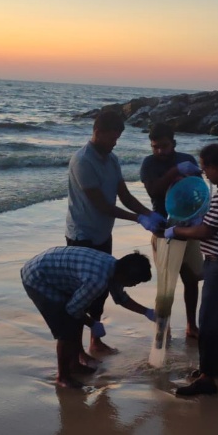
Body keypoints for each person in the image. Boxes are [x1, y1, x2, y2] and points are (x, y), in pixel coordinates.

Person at [65, 110, 164, 355]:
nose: (115, 143)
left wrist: (148, 213)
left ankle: (94, 342)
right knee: (82, 293)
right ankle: (77, 350)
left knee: (102, 289)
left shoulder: (112, 160)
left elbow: (125, 196)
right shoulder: (82, 161)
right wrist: (138, 219)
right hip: (82, 235)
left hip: (102, 233)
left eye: (118, 138)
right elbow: (101, 205)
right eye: (112, 137)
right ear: (97, 132)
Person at [164, 143, 218, 396]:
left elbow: (206, 230)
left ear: (216, 166)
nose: (205, 175)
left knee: (209, 319)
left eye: (205, 169)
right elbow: (213, 223)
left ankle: (206, 377)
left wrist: (177, 230)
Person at [21, 246, 155, 389]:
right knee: (66, 328)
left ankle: (75, 364)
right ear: (125, 275)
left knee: (76, 319)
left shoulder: (113, 266)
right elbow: (72, 309)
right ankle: (62, 377)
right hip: (37, 278)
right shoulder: (97, 280)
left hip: (54, 271)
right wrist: (92, 324)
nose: (134, 285)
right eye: (135, 282)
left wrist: (147, 312)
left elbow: (120, 298)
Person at [139, 122, 204, 338]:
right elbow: (154, 190)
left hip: (189, 226)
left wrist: (199, 216)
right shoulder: (148, 164)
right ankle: (163, 328)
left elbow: (200, 191)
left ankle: (191, 325)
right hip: (162, 228)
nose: (159, 151)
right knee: (166, 283)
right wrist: (175, 172)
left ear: (173, 143)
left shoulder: (188, 160)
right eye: (155, 147)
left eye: (164, 146)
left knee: (191, 278)